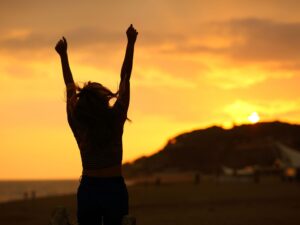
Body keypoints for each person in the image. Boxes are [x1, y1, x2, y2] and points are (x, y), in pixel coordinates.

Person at [55, 24, 138, 225]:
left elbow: (69, 88)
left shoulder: (79, 125)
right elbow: (125, 77)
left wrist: (63, 56)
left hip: (89, 188)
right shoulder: (115, 119)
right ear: (103, 100)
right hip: (113, 187)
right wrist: (131, 43)